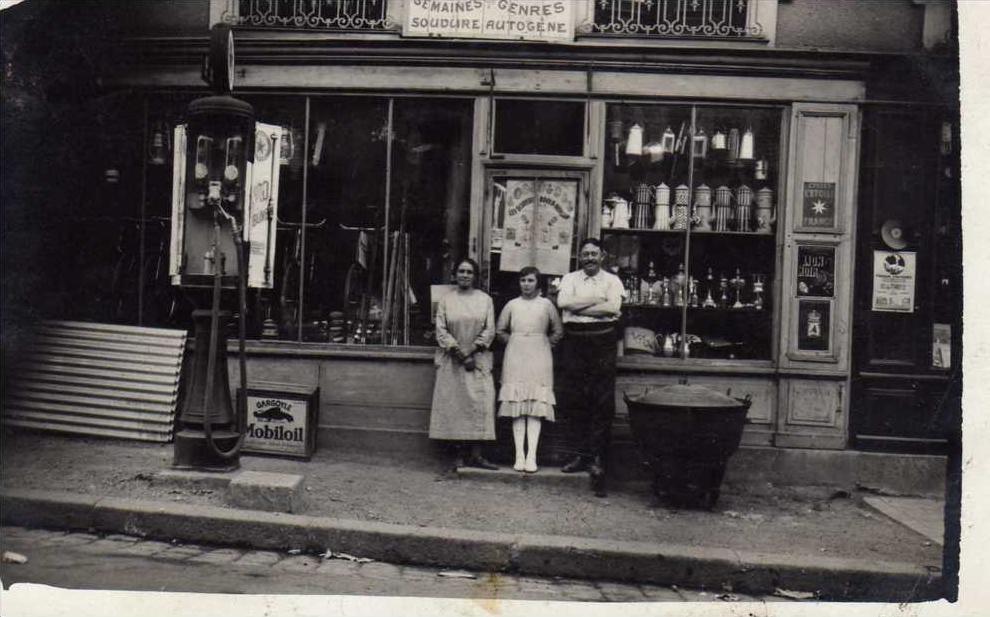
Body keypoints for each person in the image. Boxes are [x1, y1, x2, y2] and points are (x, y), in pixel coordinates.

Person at [555, 238, 624, 497]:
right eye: (585, 254)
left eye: (594, 254)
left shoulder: (613, 281)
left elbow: (613, 307)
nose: (590, 258)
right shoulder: (570, 278)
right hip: (574, 342)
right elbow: (563, 305)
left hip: (603, 341)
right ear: (579, 257)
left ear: (602, 256)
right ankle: (578, 457)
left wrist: (581, 303)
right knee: (575, 400)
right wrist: (597, 301)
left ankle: (598, 460)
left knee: (601, 402)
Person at [428, 257, 498, 470]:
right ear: (455, 275)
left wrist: (472, 351)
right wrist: (459, 353)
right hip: (453, 360)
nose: (465, 275)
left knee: (480, 404)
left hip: (478, 359)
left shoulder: (485, 300)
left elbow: (490, 329)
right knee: (456, 406)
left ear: (475, 276)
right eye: (461, 271)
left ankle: (477, 455)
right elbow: (441, 329)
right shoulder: (447, 300)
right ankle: (457, 455)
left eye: (469, 272)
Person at [495, 266, 564, 473]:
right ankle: (519, 455)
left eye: (531, 281)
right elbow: (500, 330)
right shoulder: (511, 305)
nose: (526, 284)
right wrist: (515, 342)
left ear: (538, 283)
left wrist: (542, 343)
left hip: (539, 357)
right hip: (515, 356)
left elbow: (558, 331)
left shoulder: (546, 305)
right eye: (523, 280)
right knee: (517, 405)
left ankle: (531, 456)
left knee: (535, 405)